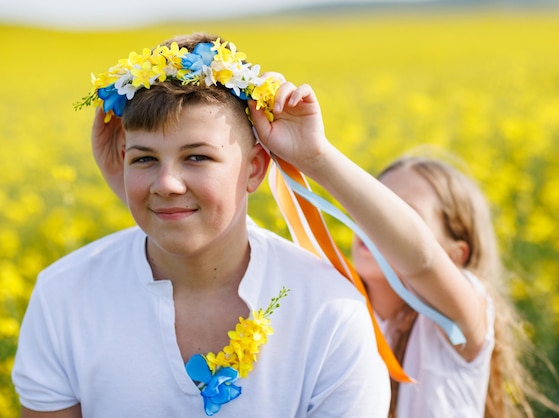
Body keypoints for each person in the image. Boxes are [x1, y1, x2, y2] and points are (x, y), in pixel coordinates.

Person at [80, 39, 559, 418]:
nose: (367, 218)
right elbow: (202, 236)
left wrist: (314, 155)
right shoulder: (325, 301)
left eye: (400, 211)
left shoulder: (461, 326)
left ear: (459, 253)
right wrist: (130, 184)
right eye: (372, 200)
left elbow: (420, 260)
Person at [11, 32, 391, 417]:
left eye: (196, 158)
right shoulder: (64, 295)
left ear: (254, 169)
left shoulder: (328, 311)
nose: (166, 184)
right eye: (144, 160)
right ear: (122, 160)